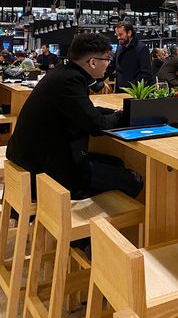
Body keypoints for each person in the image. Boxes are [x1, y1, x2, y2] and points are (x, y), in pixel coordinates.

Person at [7, 33, 143, 199]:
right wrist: (125, 115)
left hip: (33, 158)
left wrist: (111, 113)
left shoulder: (64, 73)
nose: (108, 64)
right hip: (45, 173)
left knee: (115, 162)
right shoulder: (71, 80)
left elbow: (80, 110)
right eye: (107, 59)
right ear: (93, 62)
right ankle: (98, 223)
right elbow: (98, 126)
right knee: (134, 180)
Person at [107, 21, 152, 92]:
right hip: (119, 92)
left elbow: (146, 74)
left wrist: (130, 87)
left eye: (121, 34)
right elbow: (111, 67)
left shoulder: (141, 48)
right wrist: (95, 79)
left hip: (133, 93)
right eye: (117, 35)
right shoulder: (120, 48)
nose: (118, 37)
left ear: (129, 33)